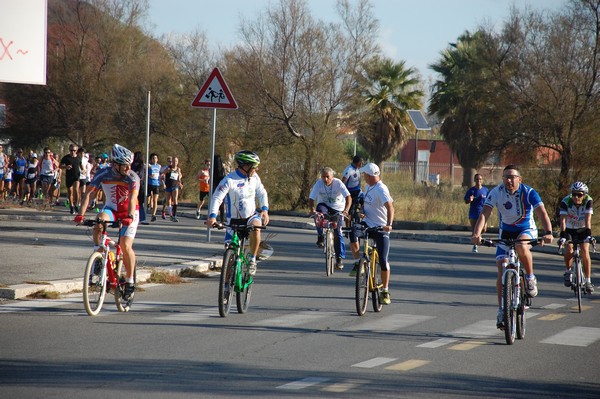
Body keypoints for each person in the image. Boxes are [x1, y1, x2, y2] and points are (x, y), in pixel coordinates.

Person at [470, 165, 553, 329]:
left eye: (512, 177)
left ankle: (529, 278)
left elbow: (542, 213)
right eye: (506, 177)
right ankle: (502, 309)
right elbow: (485, 213)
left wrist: (548, 232)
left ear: (519, 179)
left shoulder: (528, 192)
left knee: (521, 246)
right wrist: (476, 234)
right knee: (501, 269)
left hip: (525, 229)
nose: (509, 180)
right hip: (506, 232)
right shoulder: (496, 192)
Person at [74, 144, 140, 302]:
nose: (128, 168)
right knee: (98, 222)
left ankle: (130, 282)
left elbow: (132, 198)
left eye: (129, 164)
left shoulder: (133, 177)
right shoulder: (103, 173)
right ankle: (98, 255)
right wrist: (80, 214)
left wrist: (130, 216)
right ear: (115, 164)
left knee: (125, 245)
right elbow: (89, 194)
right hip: (111, 209)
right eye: (125, 165)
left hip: (131, 212)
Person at [206, 150, 269, 276]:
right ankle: (226, 287)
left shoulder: (254, 177)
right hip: (233, 221)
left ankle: (252, 260)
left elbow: (262, 193)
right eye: (254, 167)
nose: (256, 170)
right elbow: (217, 197)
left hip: (251, 216)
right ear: (245, 166)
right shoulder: (229, 180)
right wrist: (212, 216)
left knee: (257, 228)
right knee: (229, 257)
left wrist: (265, 210)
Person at [347, 163, 394, 304]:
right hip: (367, 224)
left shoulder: (381, 189)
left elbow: (390, 207)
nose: (363, 177)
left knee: (383, 261)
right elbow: (366, 206)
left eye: (365, 175)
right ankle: (357, 263)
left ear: (369, 175)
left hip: (380, 228)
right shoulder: (368, 187)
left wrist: (389, 225)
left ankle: (385, 290)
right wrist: (361, 212)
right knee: (353, 231)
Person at [308, 166, 351, 270]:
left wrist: (346, 210)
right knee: (318, 214)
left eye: (328, 177)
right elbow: (311, 198)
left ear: (332, 176)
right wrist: (312, 209)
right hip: (324, 206)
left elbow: (348, 197)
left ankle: (339, 258)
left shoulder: (338, 183)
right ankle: (320, 236)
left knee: (338, 233)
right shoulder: (319, 183)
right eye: (323, 177)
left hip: (338, 209)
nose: (325, 179)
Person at [558, 182, 594, 293]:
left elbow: (588, 219)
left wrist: (589, 235)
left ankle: (588, 281)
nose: (576, 197)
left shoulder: (588, 201)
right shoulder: (566, 201)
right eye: (574, 194)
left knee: (584, 251)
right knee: (569, 249)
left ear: (584, 195)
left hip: (582, 229)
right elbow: (563, 220)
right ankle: (568, 271)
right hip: (569, 229)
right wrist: (563, 235)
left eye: (579, 195)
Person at [464, 174, 489, 252]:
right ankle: (475, 246)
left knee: (484, 229)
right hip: (474, 213)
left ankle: (479, 236)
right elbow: (466, 201)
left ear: (482, 180)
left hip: (483, 213)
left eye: (480, 179)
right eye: (477, 179)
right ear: (474, 180)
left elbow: (489, 201)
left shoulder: (485, 190)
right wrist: (469, 200)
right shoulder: (471, 190)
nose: (479, 181)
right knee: (475, 230)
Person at [341, 155, 364, 226]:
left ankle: (361, 215)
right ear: (357, 162)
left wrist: (360, 188)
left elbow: (359, 180)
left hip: (357, 191)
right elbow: (343, 182)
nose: (362, 164)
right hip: (350, 192)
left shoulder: (357, 169)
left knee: (365, 201)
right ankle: (348, 227)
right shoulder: (349, 170)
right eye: (361, 163)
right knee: (349, 211)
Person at [60, 144, 82, 214]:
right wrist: (66, 167)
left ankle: (76, 205)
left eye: (74, 150)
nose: (73, 152)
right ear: (69, 150)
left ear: (76, 151)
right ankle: (71, 206)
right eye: (71, 150)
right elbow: (60, 166)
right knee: (70, 192)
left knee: (76, 190)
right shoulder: (66, 158)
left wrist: (84, 170)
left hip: (76, 176)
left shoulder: (78, 157)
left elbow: (81, 166)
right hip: (69, 177)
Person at [160, 156, 183, 222]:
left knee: (175, 200)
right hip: (168, 186)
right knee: (168, 202)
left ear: (177, 162)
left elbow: (179, 177)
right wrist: (163, 183)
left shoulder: (178, 169)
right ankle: (171, 215)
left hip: (175, 186)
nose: (174, 162)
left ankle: (174, 215)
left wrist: (180, 183)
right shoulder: (168, 168)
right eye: (173, 161)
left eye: (176, 161)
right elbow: (162, 175)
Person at [131, 151, 147, 224]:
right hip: (140, 185)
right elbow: (140, 176)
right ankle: (142, 218)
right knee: (140, 203)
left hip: (131, 184)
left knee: (132, 201)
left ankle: (132, 216)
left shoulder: (131, 165)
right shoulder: (142, 166)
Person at [212, 154, 227, 223]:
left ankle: (213, 217)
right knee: (221, 204)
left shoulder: (212, 168)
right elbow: (224, 176)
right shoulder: (222, 169)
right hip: (221, 186)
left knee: (215, 202)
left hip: (214, 186)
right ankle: (222, 220)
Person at [146, 153, 161, 222]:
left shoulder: (159, 166)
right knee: (148, 198)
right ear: (151, 159)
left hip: (156, 184)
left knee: (155, 200)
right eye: (153, 158)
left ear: (157, 159)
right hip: (149, 184)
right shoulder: (149, 166)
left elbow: (160, 174)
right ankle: (148, 205)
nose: (154, 159)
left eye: (155, 158)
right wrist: (149, 175)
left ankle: (153, 215)